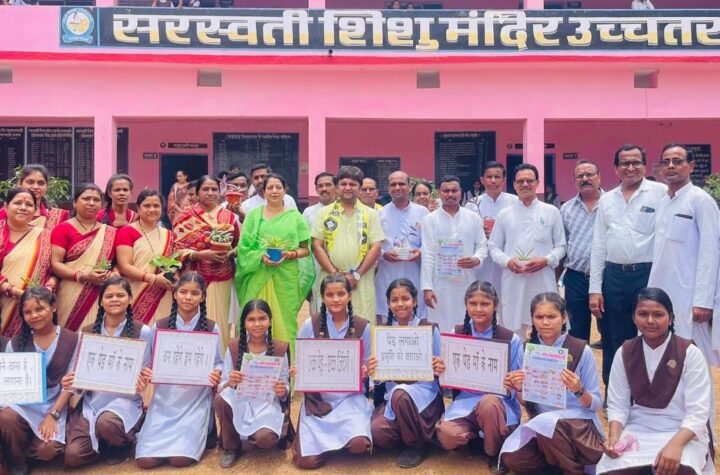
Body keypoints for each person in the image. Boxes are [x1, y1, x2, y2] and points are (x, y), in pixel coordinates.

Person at [597, 287, 714, 475]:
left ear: (671, 318)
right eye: (643, 314)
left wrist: (675, 446)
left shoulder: (690, 353)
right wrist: (614, 438)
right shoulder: (625, 352)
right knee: (609, 469)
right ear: (634, 318)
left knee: (680, 467)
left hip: (683, 432)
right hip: (638, 430)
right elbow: (618, 405)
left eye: (658, 314)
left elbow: (698, 412)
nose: (650, 320)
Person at [590, 144, 667, 387]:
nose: (630, 167)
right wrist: (595, 289)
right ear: (616, 168)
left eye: (636, 162)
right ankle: (615, 393)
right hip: (614, 276)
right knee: (614, 337)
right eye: (625, 163)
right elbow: (598, 244)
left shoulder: (661, 193)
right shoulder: (607, 200)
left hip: (648, 274)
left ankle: (650, 393)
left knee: (652, 334)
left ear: (644, 166)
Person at [501, 292, 604, 474]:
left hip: (577, 423)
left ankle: (573, 470)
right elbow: (527, 402)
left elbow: (596, 404)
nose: (545, 322)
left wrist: (579, 390)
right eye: (539, 317)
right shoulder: (528, 349)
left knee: (547, 425)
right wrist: (519, 387)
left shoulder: (581, 350)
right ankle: (557, 463)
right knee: (514, 459)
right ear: (533, 320)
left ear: (563, 318)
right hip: (540, 420)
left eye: (551, 316)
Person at [135, 272, 224, 469]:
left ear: (203, 297)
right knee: (146, 461)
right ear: (175, 294)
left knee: (180, 459)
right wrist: (147, 372)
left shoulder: (211, 327)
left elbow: (219, 362)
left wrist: (216, 373)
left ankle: (203, 430)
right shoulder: (159, 326)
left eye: (194, 293)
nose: (188, 297)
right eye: (183, 292)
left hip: (195, 400)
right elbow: (147, 364)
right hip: (164, 400)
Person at [62, 277, 153, 467]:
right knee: (73, 456)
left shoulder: (142, 331)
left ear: (130, 299)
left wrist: (141, 382)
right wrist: (73, 382)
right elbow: (76, 372)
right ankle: (103, 444)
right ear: (101, 301)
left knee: (107, 422)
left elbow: (145, 370)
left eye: (120, 295)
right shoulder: (87, 332)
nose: (115, 299)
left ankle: (121, 444)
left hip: (125, 402)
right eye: (109, 296)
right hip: (92, 403)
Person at [434, 281, 522, 475]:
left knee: (488, 402)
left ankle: (494, 452)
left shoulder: (511, 339)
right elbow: (446, 375)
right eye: (473, 303)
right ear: (466, 305)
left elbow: (518, 383)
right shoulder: (455, 335)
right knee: (448, 436)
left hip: (498, 406)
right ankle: (479, 438)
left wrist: (514, 383)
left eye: (485, 304)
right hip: (465, 403)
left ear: (495, 305)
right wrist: (440, 369)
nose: (479, 309)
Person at [647, 144, 720, 366]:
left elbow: (710, 252)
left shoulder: (700, 200)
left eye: (677, 161)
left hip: (690, 297)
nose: (671, 166)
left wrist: (703, 301)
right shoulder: (662, 202)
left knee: (694, 358)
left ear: (691, 166)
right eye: (666, 161)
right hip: (662, 293)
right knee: (666, 355)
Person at [291, 273, 373, 469]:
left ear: (349, 296)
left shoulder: (363, 326)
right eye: (330, 295)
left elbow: (367, 364)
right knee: (306, 461)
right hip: (319, 400)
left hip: (350, 399)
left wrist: (365, 371)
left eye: (341, 294)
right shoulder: (310, 325)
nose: (335, 299)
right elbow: (301, 360)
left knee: (359, 444)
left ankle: (338, 442)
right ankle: (331, 444)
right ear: (322, 298)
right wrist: (298, 371)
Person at [0, 288, 78, 475]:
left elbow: (71, 385)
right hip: (24, 404)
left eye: (39, 309)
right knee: (6, 417)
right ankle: (18, 462)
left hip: (55, 403)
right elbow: (10, 387)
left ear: (53, 307)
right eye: (27, 312)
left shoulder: (72, 339)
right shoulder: (15, 344)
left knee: (46, 451)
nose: (34, 315)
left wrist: (53, 415)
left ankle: (24, 445)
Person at [235, 173, 314, 350]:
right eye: (270, 187)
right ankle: (252, 361)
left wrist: (290, 254)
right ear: (263, 192)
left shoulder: (295, 217)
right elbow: (244, 249)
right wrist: (260, 256)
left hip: (285, 278)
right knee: (255, 317)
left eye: (278, 187)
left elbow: (306, 250)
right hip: (257, 275)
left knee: (285, 320)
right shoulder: (253, 216)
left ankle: (286, 363)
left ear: (285, 190)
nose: (274, 191)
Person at [369, 279, 443, 468]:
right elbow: (379, 380)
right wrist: (373, 371)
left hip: (423, 394)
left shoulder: (429, 329)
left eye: (405, 299)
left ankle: (416, 445)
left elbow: (440, 369)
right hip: (392, 395)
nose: (400, 304)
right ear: (388, 304)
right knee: (378, 432)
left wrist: (439, 366)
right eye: (394, 300)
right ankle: (412, 433)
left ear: (415, 301)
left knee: (401, 394)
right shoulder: (383, 333)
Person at [489, 164, 566, 337]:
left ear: (537, 183)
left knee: (545, 323)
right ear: (514, 185)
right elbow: (493, 247)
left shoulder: (551, 212)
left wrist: (546, 260)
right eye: (520, 181)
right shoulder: (505, 214)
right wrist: (507, 261)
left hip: (542, 278)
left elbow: (561, 246)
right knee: (513, 329)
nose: (525, 184)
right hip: (513, 279)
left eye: (529, 180)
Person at [215, 299, 292, 468]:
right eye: (251, 319)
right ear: (244, 323)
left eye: (262, 318)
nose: (257, 324)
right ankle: (231, 446)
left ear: (270, 321)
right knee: (221, 398)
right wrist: (230, 381)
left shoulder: (279, 348)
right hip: (241, 402)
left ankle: (252, 434)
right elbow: (221, 385)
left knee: (266, 439)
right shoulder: (234, 347)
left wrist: (282, 390)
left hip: (267, 404)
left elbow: (285, 383)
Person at [173, 176, 239, 350]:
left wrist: (231, 253)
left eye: (214, 189)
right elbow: (174, 250)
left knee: (219, 322)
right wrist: (199, 254)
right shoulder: (185, 217)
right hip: (193, 278)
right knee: (191, 322)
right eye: (205, 189)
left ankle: (219, 361)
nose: (210, 193)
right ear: (197, 193)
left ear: (220, 192)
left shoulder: (229, 217)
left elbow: (239, 245)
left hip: (221, 277)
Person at [311, 166, 384, 321]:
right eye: (343, 184)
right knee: (330, 324)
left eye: (353, 184)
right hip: (331, 279)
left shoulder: (370, 214)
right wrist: (335, 274)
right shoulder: (323, 213)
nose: (348, 188)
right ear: (337, 187)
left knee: (362, 323)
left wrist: (356, 275)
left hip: (361, 280)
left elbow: (376, 247)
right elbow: (316, 246)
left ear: (359, 188)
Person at [421, 175, 486, 332]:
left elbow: (482, 245)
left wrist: (476, 259)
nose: (450, 194)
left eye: (454, 190)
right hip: (440, 283)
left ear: (461, 192)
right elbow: (427, 254)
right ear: (439, 192)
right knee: (441, 325)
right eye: (446, 191)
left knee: (467, 322)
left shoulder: (473, 218)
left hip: (467, 280)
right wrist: (427, 287)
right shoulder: (430, 220)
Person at [51, 184, 118, 331]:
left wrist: (113, 274)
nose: (91, 203)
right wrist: (82, 276)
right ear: (75, 202)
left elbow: (116, 263)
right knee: (70, 336)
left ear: (102, 204)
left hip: (101, 292)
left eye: (96, 200)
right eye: (86, 199)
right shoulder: (62, 229)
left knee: (98, 335)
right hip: (70, 291)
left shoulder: (110, 232)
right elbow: (55, 264)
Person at [116, 189, 176, 326]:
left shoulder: (169, 234)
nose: (152, 209)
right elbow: (124, 266)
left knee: (161, 332)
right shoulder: (126, 232)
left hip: (164, 293)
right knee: (137, 332)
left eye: (156, 206)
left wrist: (174, 279)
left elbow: (174, 263)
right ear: (138, 208)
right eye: (147, 206)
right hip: (136, 292)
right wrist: (153, 279)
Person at [0, 188, 55, 337]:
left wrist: (48, 288)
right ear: (6, 206)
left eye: (29, 204)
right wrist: (15, 291)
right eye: (18, 203)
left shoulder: (45, 236)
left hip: (35, 308)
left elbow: (54, 271)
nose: (23, 208)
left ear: (35, 209)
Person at [375, 171, 428, 324]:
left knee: (416, 318)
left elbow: (429, 243)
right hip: (387, 273)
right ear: (388, 188)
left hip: (414, 272)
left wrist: (420, 252)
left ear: (409, 186)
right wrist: (384, 254)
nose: (397, 187)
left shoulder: (422, 212)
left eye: (401, 184)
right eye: (393, 184)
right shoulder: (380, 214)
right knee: (387, 319)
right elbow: (373, 245)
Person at [560, 160, 603, 341]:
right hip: (575, 278)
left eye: (589, 174)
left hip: (607, 277)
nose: (585, 178)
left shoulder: (612, 204)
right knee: (576, 334)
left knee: (610, 329)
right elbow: (562, 246)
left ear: (599, 177)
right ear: (574, 180)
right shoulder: (566, 209)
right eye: (580, 176)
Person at [464, 162, 518, 301]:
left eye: (497, 177)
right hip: (483, 260)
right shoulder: (472, 204)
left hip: (507, 256)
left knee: (507, 297)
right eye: (489, 177)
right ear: (482, 180)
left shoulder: (515, 202)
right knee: (483, 296)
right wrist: (480, 232)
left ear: (503, 180)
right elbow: (466, 234)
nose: (493, 181)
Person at [303, 172, 337, 314]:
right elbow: (304, 247)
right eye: (320, 186)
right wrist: (306, 283)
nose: (324, 189)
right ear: (316, 189)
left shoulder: (345, 210)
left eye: (328, 185)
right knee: (318, 312)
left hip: (341, 266)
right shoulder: (308, 213)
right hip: (316, 270)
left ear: (336, 187)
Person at [0, 164, 69, 230]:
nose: (36, 187)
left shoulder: (59, 216)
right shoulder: (4, 212)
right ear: (20, 184)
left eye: (41, 183)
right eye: (30, 182)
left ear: (47, 186)